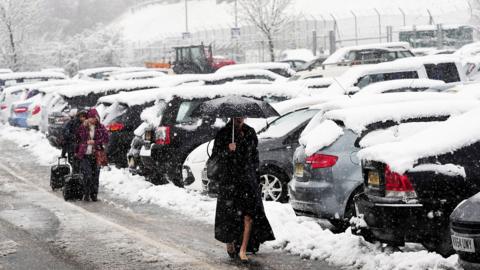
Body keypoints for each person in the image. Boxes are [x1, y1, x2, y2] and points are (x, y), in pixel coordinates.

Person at [211, 117, 275, 263]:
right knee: (230, 215)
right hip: (229, 181)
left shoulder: (250, 132)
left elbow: (254, 156)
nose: (240, 118)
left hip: (247, 180)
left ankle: (243, 249)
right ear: (232, 116)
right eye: (236, 115)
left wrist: (254, 174)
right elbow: (216, 157)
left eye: (242, 115)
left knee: (249, 215)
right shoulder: (223, 133)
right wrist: (227, 149)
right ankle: (230, 242)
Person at [75, 108, 109, 202]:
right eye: (90, 118)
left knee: (95, 176)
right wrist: (78, 149)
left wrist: (95, 142)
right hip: (85, 155)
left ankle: (94, 195)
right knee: (87, 175)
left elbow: (106, 139)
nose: (92, 120)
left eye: (94, 118)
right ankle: (86, 193)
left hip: (96, 155)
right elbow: (78, 139)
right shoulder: (83, 127)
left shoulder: (101, 127)